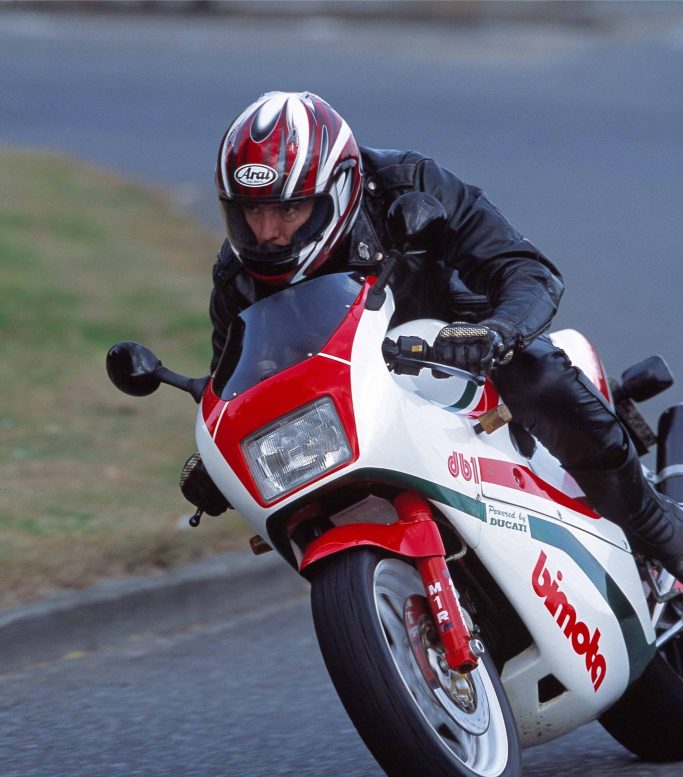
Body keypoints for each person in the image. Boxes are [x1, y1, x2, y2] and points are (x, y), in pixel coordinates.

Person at [202, 89, 683, 579]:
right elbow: (237, 378)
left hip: (470, 361)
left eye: (288, 210)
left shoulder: (406, 182)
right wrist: (218, 453)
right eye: (250, 211)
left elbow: (526, 270)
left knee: (540, 377)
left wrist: (497, 332)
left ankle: (660, 529)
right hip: (358, 401)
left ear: (340, 188)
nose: (267, 232)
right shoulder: (236, 275)